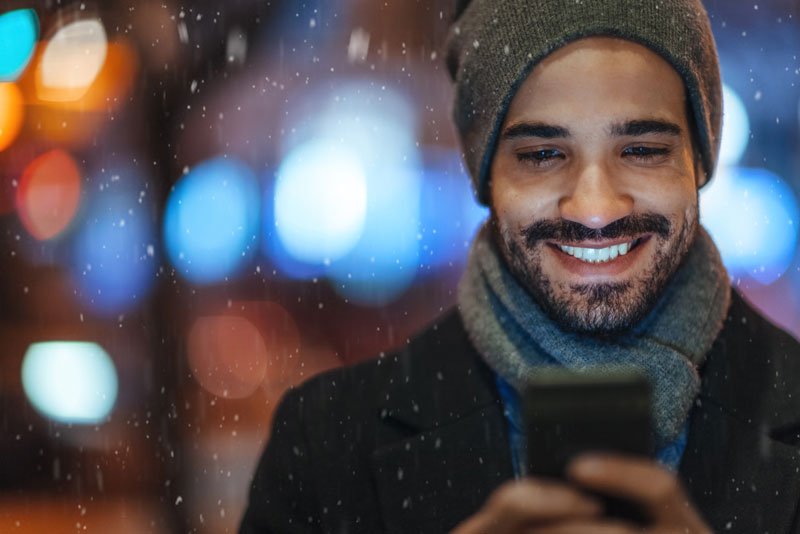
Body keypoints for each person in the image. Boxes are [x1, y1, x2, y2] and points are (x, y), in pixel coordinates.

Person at [240, 1, 800, 532]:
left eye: (642, 150)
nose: (596, 209)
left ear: (698, 161)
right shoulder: (325, 443)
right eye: (541, 156)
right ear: (485, 175)